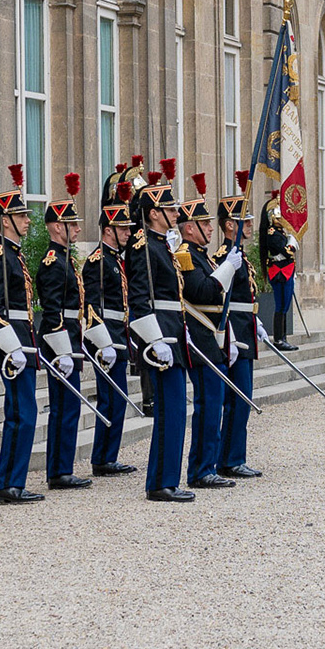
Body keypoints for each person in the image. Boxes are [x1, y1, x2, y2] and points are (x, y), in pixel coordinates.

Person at [125, 164, 193, 502]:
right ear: (153, 214)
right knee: (171, 411)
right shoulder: (143, 246)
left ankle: (164, 479)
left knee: (176, 411)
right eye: (169, 209)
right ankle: (161, 483)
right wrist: (154, 340)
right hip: (160, 338)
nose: (176, 213)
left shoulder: (160, 244)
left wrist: (182, 333)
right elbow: (138, 299)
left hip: (172, 334)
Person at [0, 166, 42, 505]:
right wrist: (11, 348)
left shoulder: (14, 255)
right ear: (5, 220)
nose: (27, 221)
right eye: (21, 216)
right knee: (22, 415)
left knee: (22, 414)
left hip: (23, 341)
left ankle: (11, 482)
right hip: (13, 346)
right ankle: (9, 485)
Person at [176, 179, 239, 490]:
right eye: (203, 223)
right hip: (200, 339)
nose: (210, 228)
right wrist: (226, 269)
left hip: (213, 336)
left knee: (214, 404)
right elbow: (200, 290)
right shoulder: (186, 255)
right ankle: (201, 470)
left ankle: (208, 465)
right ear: (189, 228)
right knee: (208, 405)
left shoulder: (202, 254)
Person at [35, 174, 91, 490]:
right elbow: (52, 310)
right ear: (58, 227)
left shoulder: (65, 259)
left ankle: (62, 468)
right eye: (72, 224)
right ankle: (59, 471)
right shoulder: (53, 262)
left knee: (69, 406)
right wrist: (62, 349)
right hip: (61, 340)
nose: (78, 229)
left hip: (70, 336)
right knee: (64, 407)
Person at [83, 163, 137, 477]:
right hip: (106, 336)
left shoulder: (116, 260)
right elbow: (91, 307)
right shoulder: (97, 262)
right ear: (108, 230)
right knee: (109, 399)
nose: (128, 233)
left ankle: (108, 455)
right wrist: (103, 342)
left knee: (118, 399)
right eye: (124, 229)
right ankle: (102, 458)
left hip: (120, 334)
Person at [216, 170, 263, 480]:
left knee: (242, 399)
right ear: (229, 225)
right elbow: (221, 301)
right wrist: (231, 335)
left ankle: (236, 456)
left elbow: (246, 297)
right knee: (237, 399)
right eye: (244, 221)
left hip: (246, 329)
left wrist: (255, 320)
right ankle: (230, 459)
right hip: (234, 335)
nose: (250, 226)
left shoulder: (240, 256)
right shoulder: (225, 257)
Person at [261, 193, 301, 351]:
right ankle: (279, 339)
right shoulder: (272, 234)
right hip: (280, 272)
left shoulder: (280, 233)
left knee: (285, 305)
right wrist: (292, 243)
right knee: (281, 305)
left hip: (286, 270)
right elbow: (286, 252)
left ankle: (283, 337)